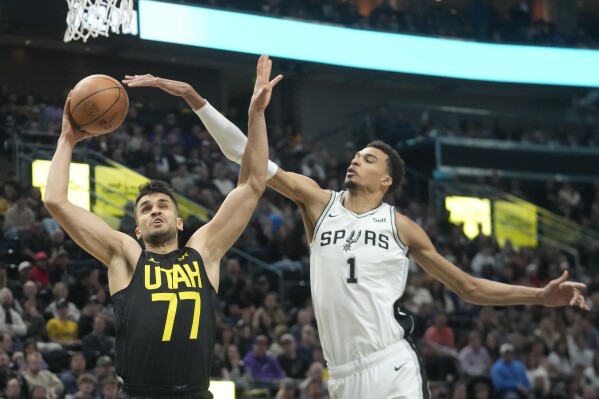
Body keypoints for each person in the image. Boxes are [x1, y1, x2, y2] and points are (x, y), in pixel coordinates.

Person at [125, 65, 589, 399]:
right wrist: (198, 100)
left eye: (369, 159)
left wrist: (536, 295)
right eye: (356, 154)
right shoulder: (318, 202)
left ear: (387, 180)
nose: (355, 159)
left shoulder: (401, 225)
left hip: (391, 363)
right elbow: (249, 161)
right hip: (341, 376)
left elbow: (467, 287)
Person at [45, 54, 282, 399]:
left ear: (179, 221)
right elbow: (56, 201)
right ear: (137, 229)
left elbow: (253, 183)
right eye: (145, 209)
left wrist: (256, 114)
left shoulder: (204, 251)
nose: (155, 211)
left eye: (163, 205)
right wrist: (67, 139)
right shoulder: (124, 256)